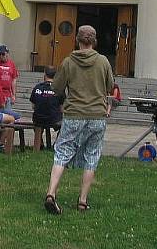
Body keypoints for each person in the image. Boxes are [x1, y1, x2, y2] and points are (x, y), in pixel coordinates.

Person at [45, 25, 114, 215]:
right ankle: (82, 201)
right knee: (92, 156)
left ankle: (51, 193)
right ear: (94, 41)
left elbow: (57, 88)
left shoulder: (68, 61)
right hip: (97, 116)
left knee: (62, 152)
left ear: (78, 40)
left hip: (74, 113)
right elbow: (110, 86)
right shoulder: (103, 62)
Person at [30, 67, 64, 148]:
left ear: (45, 75)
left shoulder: (37, 87)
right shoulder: (59, 89)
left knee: (36, 120)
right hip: (54, 120)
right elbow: (62, 109)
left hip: (38, 119)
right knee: (66, 125)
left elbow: (33, 106)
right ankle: (56, 144)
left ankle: (39, 142)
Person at [0, 44, 19, 111]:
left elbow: (14, 80)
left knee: (8, 114)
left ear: (7, 54)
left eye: (3, 54)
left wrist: (13, 95)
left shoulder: (12, 64)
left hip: (7, 94)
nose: (1, 56)